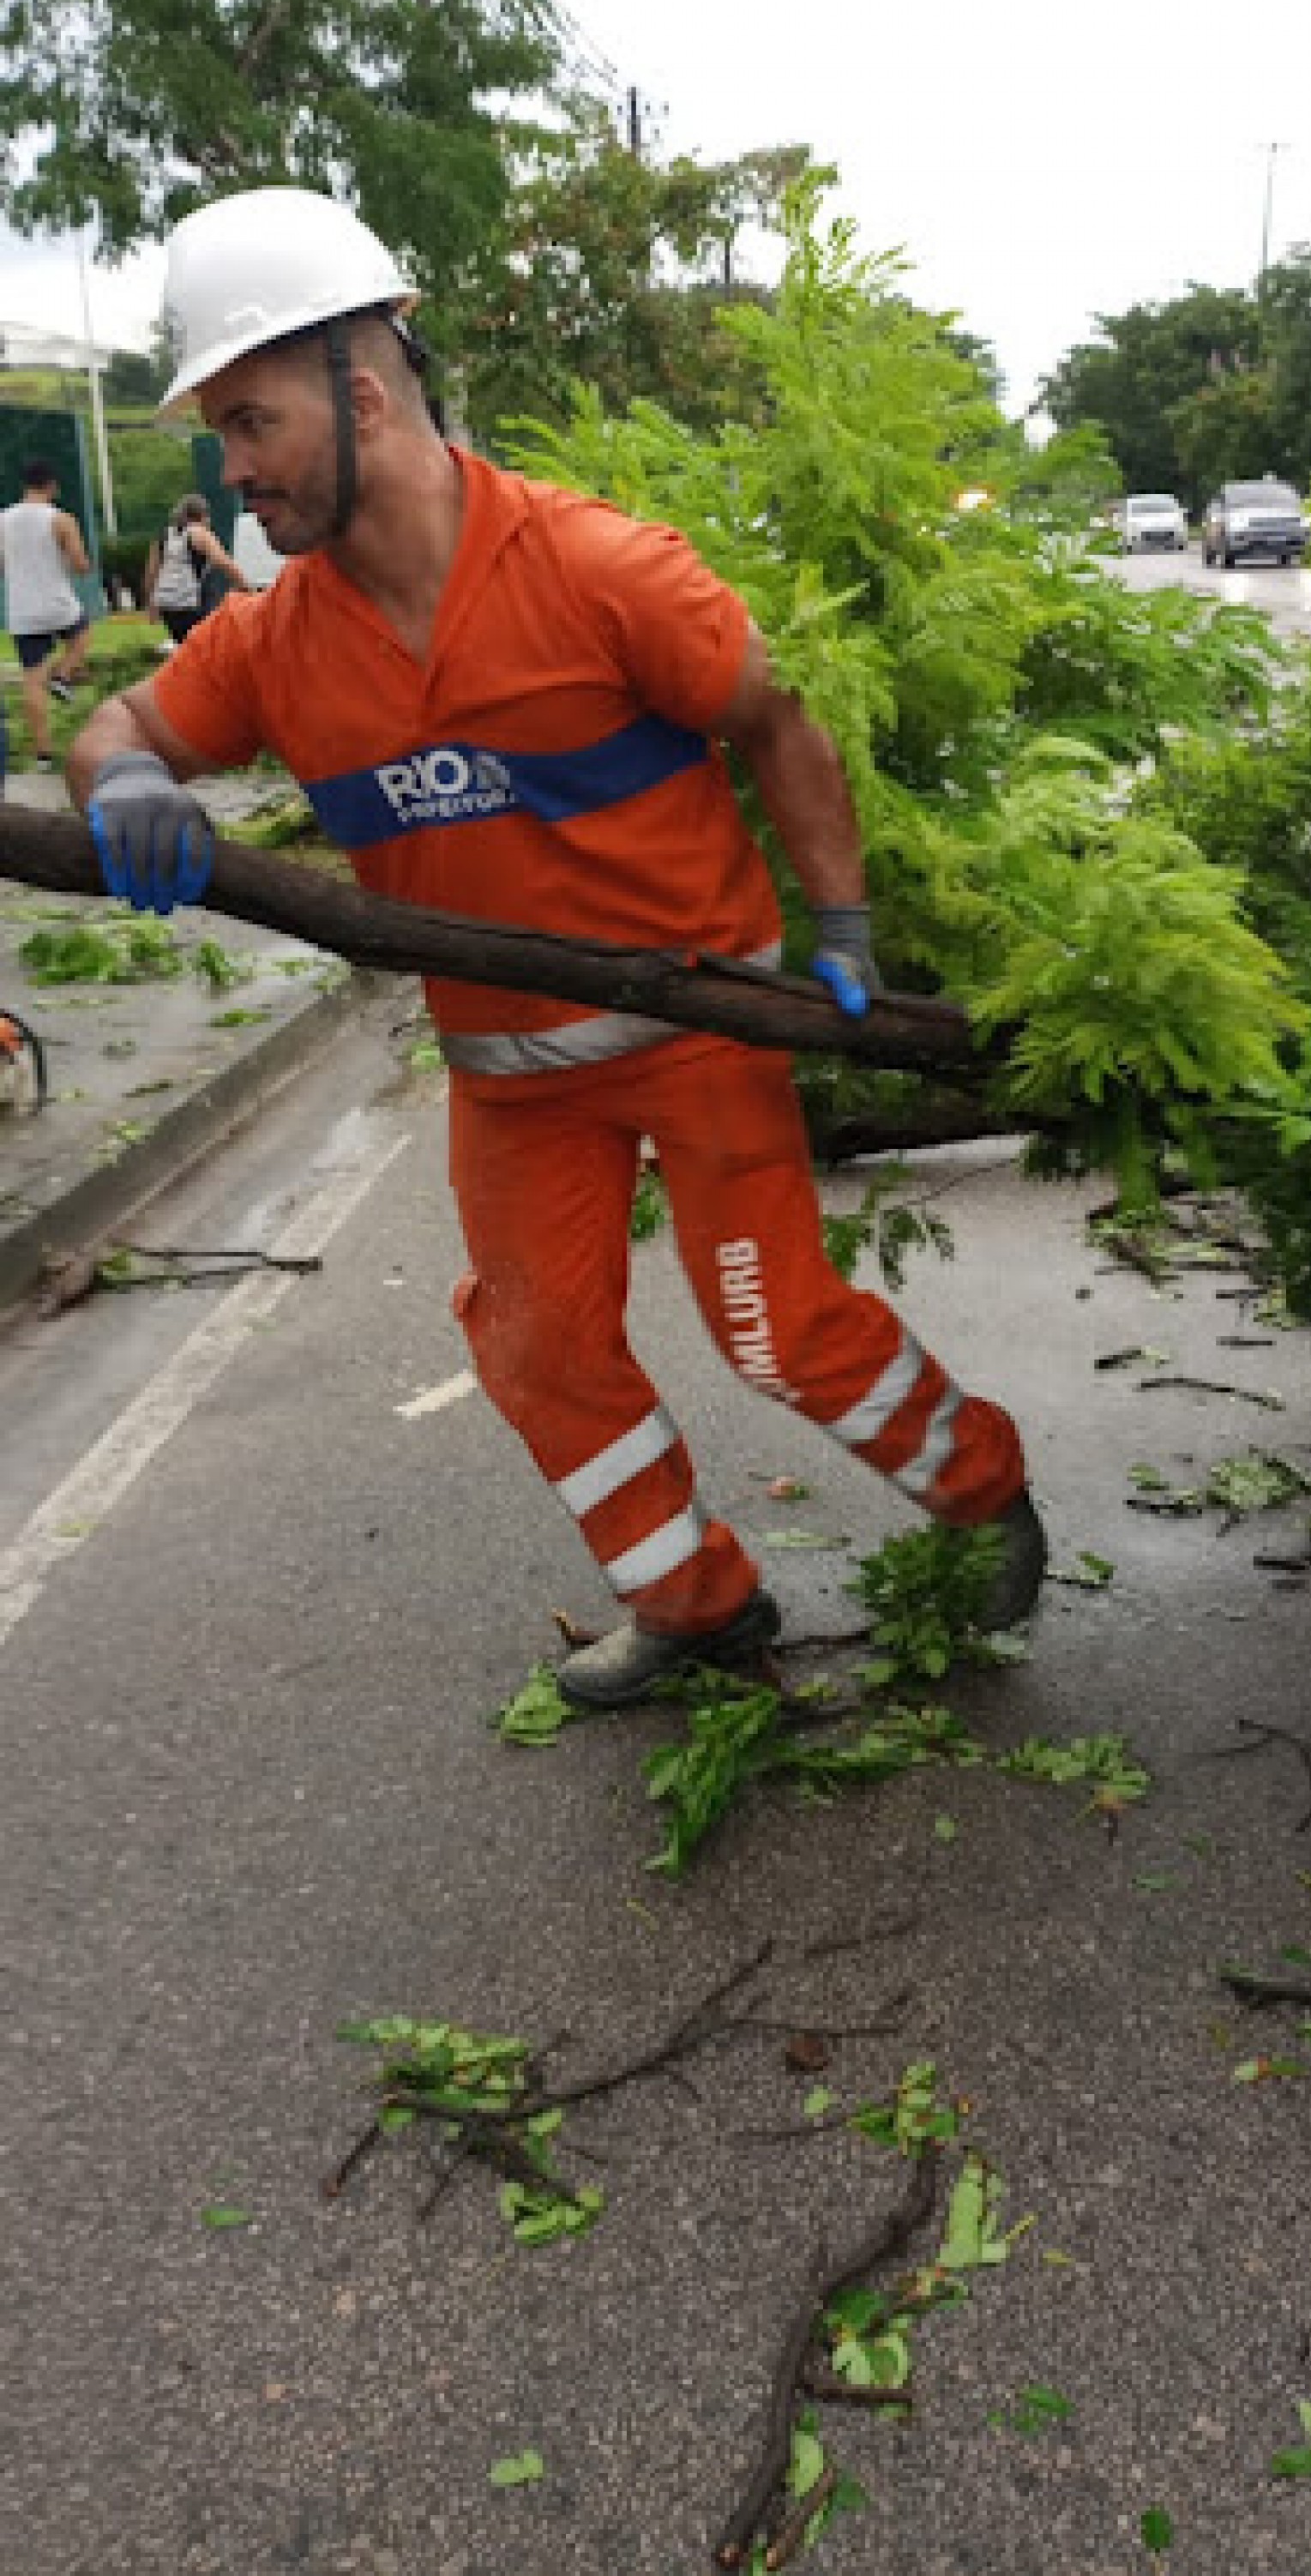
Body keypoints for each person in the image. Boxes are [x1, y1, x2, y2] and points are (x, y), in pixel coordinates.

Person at [69, 186, 1045, 1706]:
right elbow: (120, 721)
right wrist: (122, 776)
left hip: (704, 1024)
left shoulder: (600, 570)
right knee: (533, 1351)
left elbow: (775, 723)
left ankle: (983, 1493)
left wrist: (837, 923)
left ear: (364, 393)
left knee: (779, 1333)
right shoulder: (276, 638)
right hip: (511, 1080)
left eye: (251, 421)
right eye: (222, 432)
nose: (231, 468)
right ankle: (700, 1607)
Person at [1, 458, 93, 765]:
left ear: (24, 485)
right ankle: (64, 674)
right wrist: (76, 563)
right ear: (52, 485)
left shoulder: (3, 519)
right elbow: (80, 564)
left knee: (31, 682)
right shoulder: (62, 519)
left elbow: (1, 567)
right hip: (57, 604)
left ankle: (43, 754)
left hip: (23, 610)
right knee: (82, 632)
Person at [143, 491, 250, 642]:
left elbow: (152, 572)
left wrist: (151, 603)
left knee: (185, 646)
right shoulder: (199, 533)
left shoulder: (164, 535)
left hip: (168, 604)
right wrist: (246, 587)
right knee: (207, 644)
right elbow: (224, 562)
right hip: (193, 602)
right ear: (202, 515)